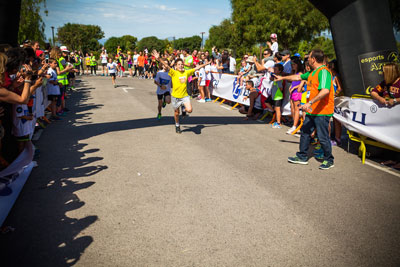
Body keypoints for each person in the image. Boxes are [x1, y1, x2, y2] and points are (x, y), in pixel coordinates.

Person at [276, 49, 335, 170]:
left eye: (309, 57)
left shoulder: (324, 72)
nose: (307, 59)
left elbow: (325, 90)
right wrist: (282, 78)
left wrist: (310, 102)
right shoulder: (313, 72)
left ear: (313, 59)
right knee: (305, 132)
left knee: (323, 137)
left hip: (322, 111)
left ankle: (329, 159)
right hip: (312, 110)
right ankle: (302, 156)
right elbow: (297, 77)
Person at [152, 50, 210, 134]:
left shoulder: (186, 72)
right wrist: (159, 59)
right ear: (175, 66)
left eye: (182, 64)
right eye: (179, 64)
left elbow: (196, 68)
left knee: (189, 110)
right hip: (175, 97)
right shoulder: (173, 72)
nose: (181, 65)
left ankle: (183, 107)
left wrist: (205, 64)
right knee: (176, 113)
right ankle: (177, 125)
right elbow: (166, 65)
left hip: (184, 96)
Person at [287, 58, 305, 134]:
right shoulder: (295, 73)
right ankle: (295, 124)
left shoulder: (300, 74)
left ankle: (295, 126)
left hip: (297, 93)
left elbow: (303, 83)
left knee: (296, 109)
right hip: (292, 92)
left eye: (294, 64)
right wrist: (291, 86)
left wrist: (294, 87)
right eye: (292, 65)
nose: (292, 66)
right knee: (293, 109)